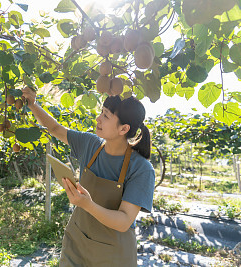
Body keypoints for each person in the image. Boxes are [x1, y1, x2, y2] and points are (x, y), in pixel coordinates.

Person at [22, 87, 155, 267]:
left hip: (113, 255)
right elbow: (54, 128)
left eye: (106, 116)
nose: (98, 118)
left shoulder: (141, 169)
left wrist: (88, 205)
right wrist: (33, 104)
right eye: (101, 112)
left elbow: (124, 221)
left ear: (124, 128)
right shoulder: (91, 144)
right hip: (76, 243)